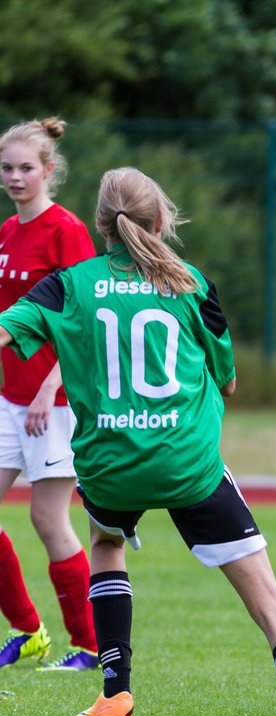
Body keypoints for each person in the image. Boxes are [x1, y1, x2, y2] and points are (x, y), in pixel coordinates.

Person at [0, 167, 276, 716]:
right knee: (269, 605)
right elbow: (228, 378)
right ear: (158, 223)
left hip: (109, 468)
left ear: (101, 226)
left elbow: (5, 333)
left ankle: (114, 691)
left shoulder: (66, 286)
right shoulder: (189, 282)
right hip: (188, 466)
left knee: (105, 542)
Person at [0, 117, 98, 672]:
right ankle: (28, 630)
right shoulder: (8, 231)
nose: (15, 177)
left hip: (52, 403)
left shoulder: (67, 231)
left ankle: (87, 647)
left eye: (26, 168)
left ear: (49, 171)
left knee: (47, 519)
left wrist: (49, 385)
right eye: (7, 168)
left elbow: (83, 323)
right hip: (8, 398)